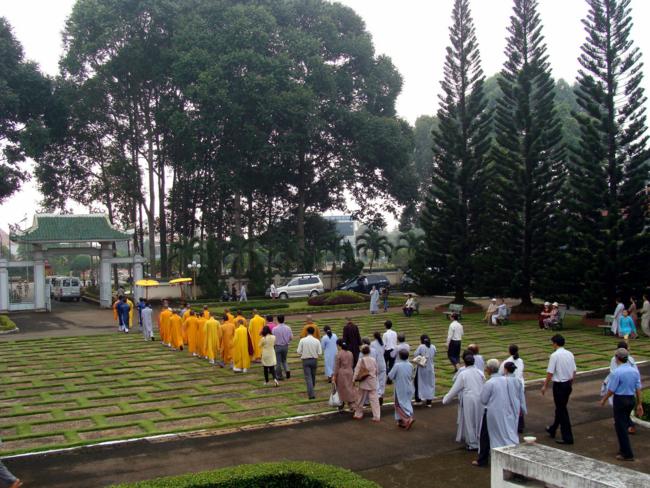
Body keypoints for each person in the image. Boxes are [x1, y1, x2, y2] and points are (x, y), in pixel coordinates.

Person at [473, 361, 526, 467]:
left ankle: (483, 459)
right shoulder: (507, 380)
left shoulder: (490, 383)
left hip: (493, 412)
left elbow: (483, 399)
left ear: (489, 369)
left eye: (487, 368)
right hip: (506, 411)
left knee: (486, 436)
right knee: (505, 433)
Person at [600, 348, 643, 461]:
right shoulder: (634, 371)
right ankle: (623, 449)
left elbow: (612, 389)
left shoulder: (617, 372)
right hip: (631, 399)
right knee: (623, 423)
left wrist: (604, 399)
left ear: (617, 358)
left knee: (620, 427)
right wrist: (639, 404)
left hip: (620, 400)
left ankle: (627, 453)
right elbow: (638, 388)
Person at [443, 354, 485, 451]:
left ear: (465, 364)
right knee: (479, 420)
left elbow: (455, 389)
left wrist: (446, 399)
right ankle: (478, 440)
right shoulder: (480, 372)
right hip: (480, 398)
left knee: (469, 421)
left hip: (469, 399)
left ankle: (472, 444)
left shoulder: (463, 374)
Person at [542, 334, 576, 445]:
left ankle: (568, 437)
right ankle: (553, 428)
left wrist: (545, 385)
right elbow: (574, 371)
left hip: (560, 385)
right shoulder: (570, 354)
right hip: (567, 383)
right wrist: (570, 383)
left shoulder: (554, 355)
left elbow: (550, 372)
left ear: (555, 343)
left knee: (562, 411)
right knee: (560, 408)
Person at [499, 344, 526, 433]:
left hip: (510, 385)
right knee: (519, 404)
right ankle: (520, 425)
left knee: (510, 406)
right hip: (519, 384)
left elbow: (500, 373)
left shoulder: (506, 362)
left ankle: (511, 424)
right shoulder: (520, 361)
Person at [387, 349, 415, 430]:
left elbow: (390, 376)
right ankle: (401, 421)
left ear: (399, 356)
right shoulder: (410, 365)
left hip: (400, 388)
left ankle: (407, 419)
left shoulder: (397, 365)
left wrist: (388, 372)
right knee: (406, 403)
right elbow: (412, 376)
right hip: (409, 387)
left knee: (398, 404)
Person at [353, 344, 381, 422]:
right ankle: (377, 416)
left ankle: (358, 413)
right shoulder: (373, 360)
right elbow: (377, 370)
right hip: (372, 381)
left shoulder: (361, 360)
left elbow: (356, 371)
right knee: (374, 400)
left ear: (362, 352)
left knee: (360, 399)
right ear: (369, 351)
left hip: (364, 382)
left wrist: (353, 380)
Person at [297, 326, 322, 399]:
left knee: (308, 377)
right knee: (313, 376)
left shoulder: (302, 340)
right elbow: (320, 352)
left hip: (305, 360)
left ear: (307, 332)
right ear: (313, 332)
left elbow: (298, 351)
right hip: (314, 360)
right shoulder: (317, 341)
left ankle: (311, 394)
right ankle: (311, 389)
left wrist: (303, 353)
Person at [333, 340, 358, 411]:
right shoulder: (350, 353)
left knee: (341, 389)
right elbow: (352, 363)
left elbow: (337, 367)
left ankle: (341, 404)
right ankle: (352, 405)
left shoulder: (338, 354)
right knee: (350, 388)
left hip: (342, 373)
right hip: (350, 371)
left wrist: (334, 375)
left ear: (339, 345)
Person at [414, 334, 436, 407]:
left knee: (418, 383)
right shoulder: (433, 347)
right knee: (430, 384)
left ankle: (418, 400)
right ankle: (429, 402)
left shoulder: (421, 346)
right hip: (430, 368)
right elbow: (434, 354)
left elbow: (415, 354)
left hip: (422, 368)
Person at [273, 315, 293, 380]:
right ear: (284, 320)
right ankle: (287, 370)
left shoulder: (275, 329)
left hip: (278, 346)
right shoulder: (288, 328)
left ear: (277, 320)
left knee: (278, 361)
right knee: (284, 360)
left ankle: (279, 376)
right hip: (285, 346)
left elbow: (273, 338)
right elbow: (291, 338)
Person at [370, 333, 387, 404]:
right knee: (382, 380)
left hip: (376, 362)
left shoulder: (372, 344)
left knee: (377, 380)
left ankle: (378, 395)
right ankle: (381, 394)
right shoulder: (382, 343)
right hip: (382, 362)